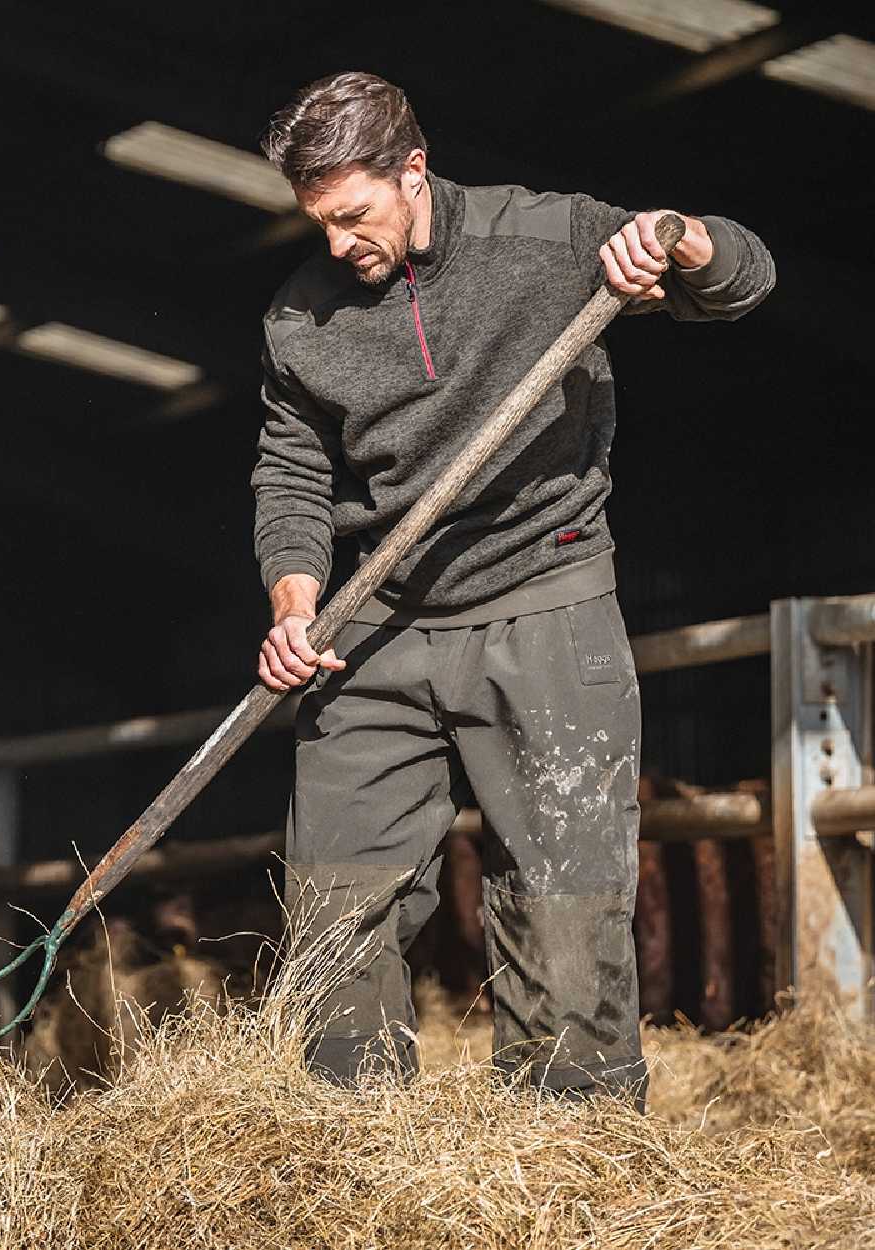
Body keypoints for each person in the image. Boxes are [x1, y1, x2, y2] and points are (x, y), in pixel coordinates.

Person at [252, 71, 775, 1109]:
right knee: (332, 907)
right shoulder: (299, 321)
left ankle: (569, 1148)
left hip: (544, 600)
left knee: (563, 901)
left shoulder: (542, 238)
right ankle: (343, 1149)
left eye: (353, 214)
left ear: (413, 171)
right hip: (373, 622)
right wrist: (293, 603)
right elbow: (292, 472)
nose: (336, 243)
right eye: (317, 221)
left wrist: (675, 236)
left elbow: (743, 278)